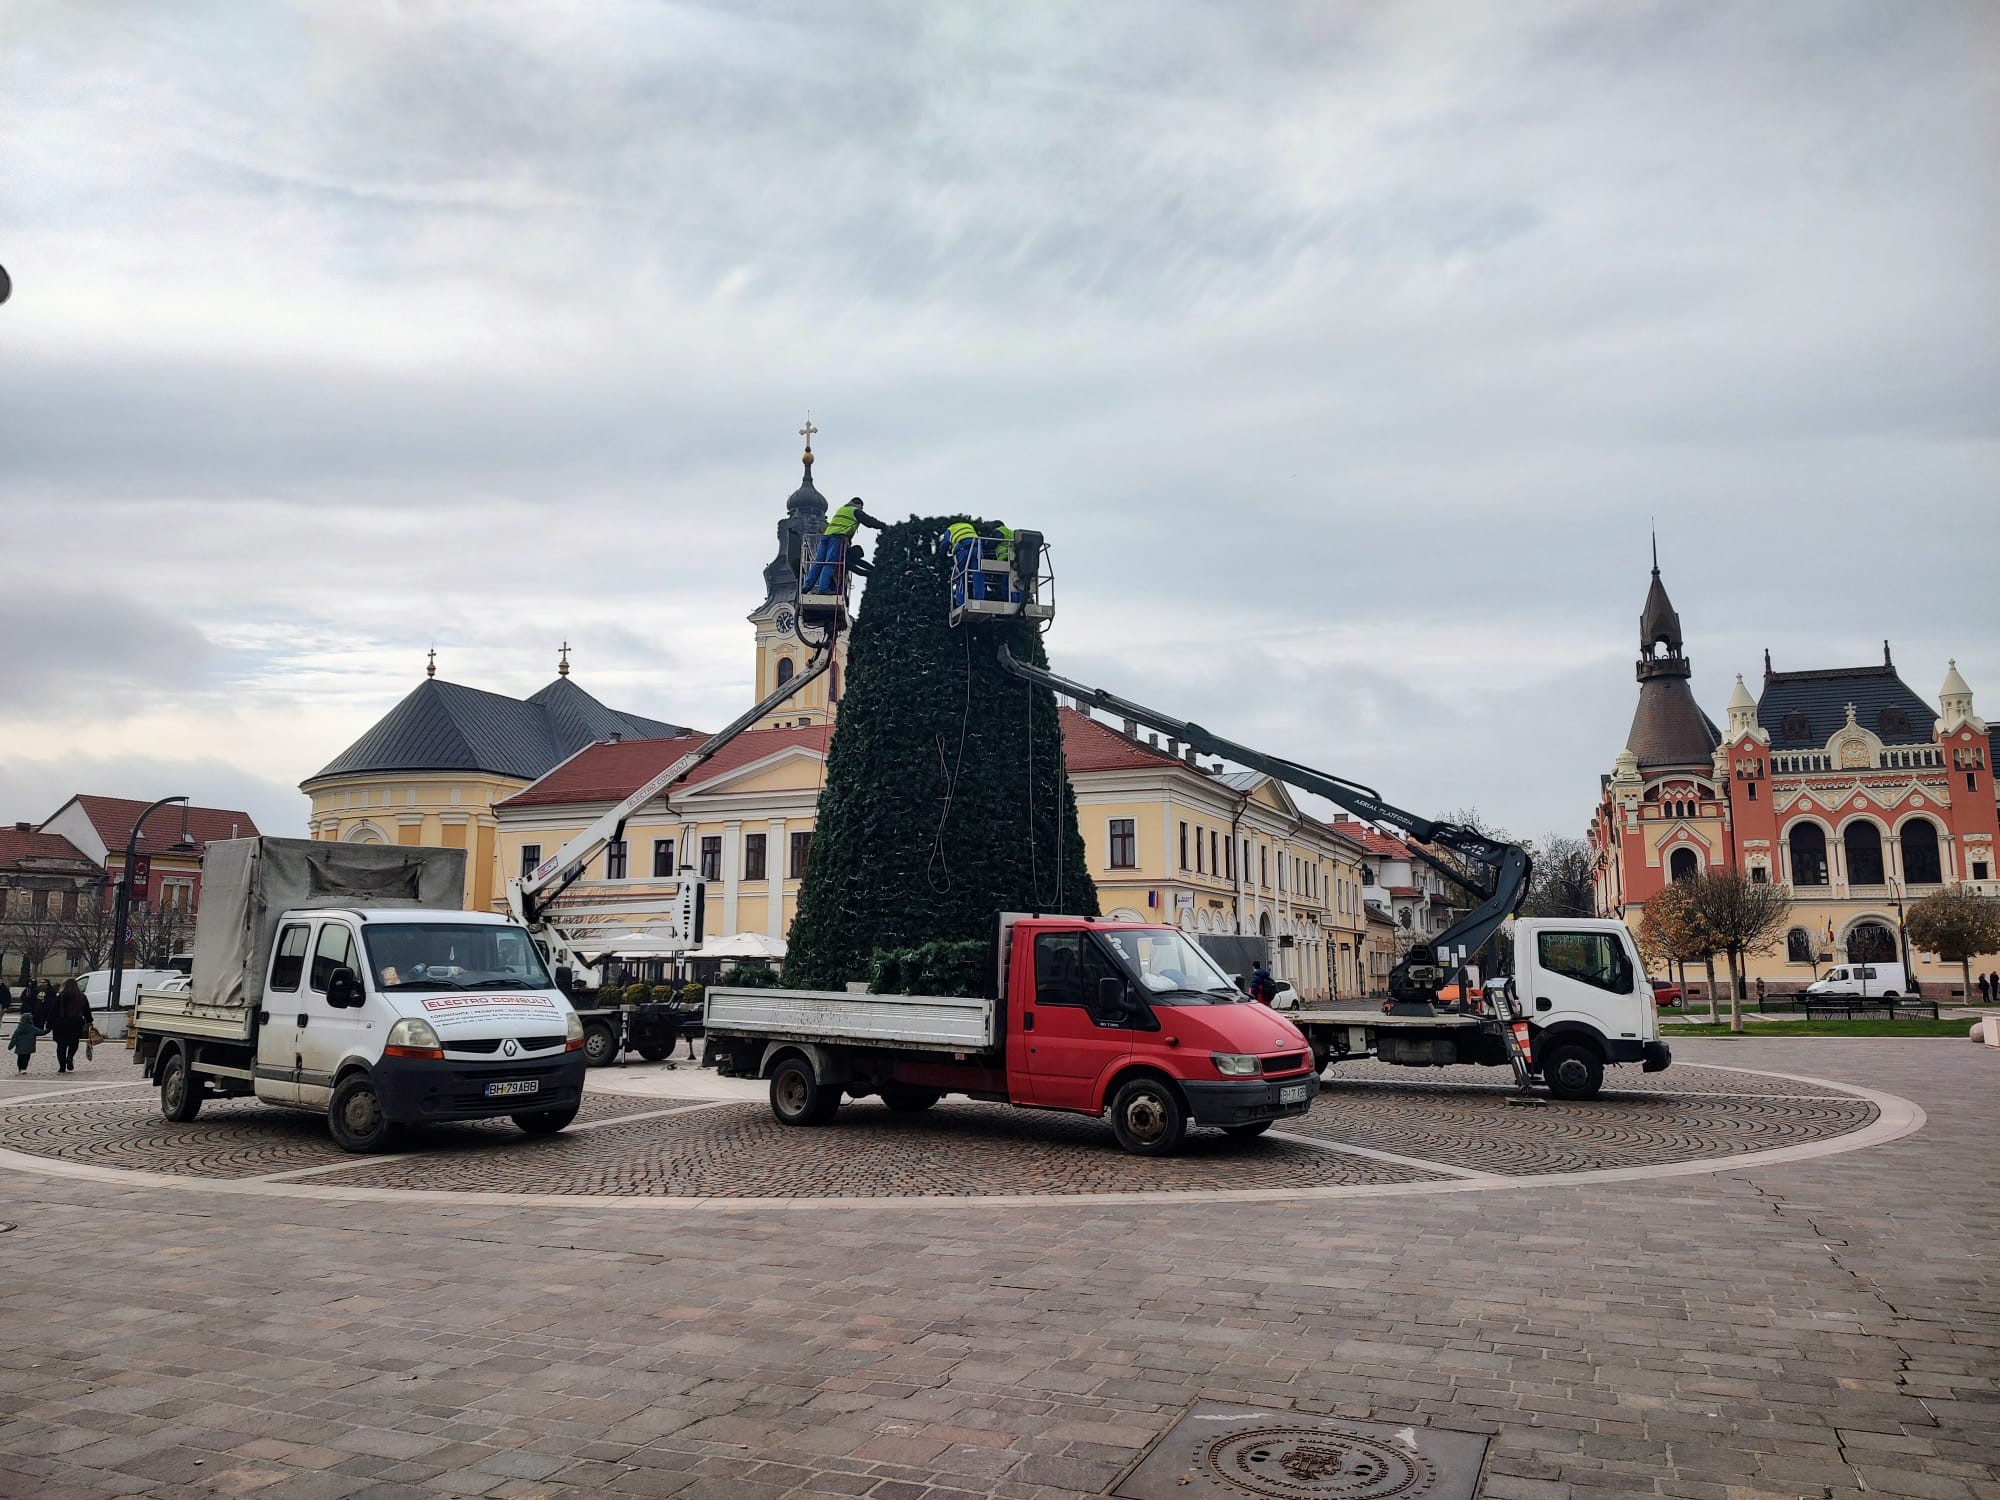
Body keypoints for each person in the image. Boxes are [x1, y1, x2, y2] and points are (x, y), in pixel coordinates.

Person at [802, 497, 884, 595]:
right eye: (862, 508)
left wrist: (875, 569)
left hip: (826, 536)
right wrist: (884, 527)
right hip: (837, 538)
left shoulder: (841, 509)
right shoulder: (855, 511)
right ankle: (823, 588)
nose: (861, 510)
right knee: (831, 563)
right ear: (859, 505)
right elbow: (869, 521)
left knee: (819, 562)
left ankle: (807, 586)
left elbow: (860, 563)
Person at [50, 979, 91, 1073]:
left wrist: (49, 1024)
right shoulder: (81, 997)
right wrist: (89, 1021)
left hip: (60, 1023)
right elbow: (87, 1011)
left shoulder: (60, 996)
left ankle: (62, 1066)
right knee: (74, 1043)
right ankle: (70, 1057)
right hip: (76, 1023)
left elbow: (53, 1011)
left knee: (61, 1046)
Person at [8, 1007, 45, 1073]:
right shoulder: (32, 1028)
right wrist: (49, 1029)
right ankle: (24, 1068)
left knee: (20, 1058)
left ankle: (20, 1068)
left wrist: (10, 1046)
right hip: (29, 1048)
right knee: (26, 1058)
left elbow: (14, 1038)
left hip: (20, 1048)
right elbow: (41, 1032)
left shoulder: (19, 1029)